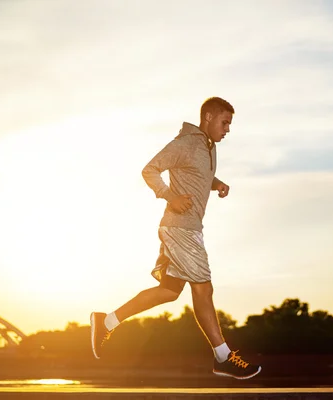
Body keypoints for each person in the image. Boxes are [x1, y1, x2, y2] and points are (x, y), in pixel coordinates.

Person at [90, 97, 261, 380]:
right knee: (204, 289)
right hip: (181, 229)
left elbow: (200, 174)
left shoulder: (210, 147)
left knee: (169, 292)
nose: (228, 129)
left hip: (188, 228)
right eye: (225, 122)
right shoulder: (185, 143)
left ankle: (105, 321)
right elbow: (150, 169)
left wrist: (216, 184)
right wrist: (170, 196)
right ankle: (222, 356)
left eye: (230, 123)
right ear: (208, 117)